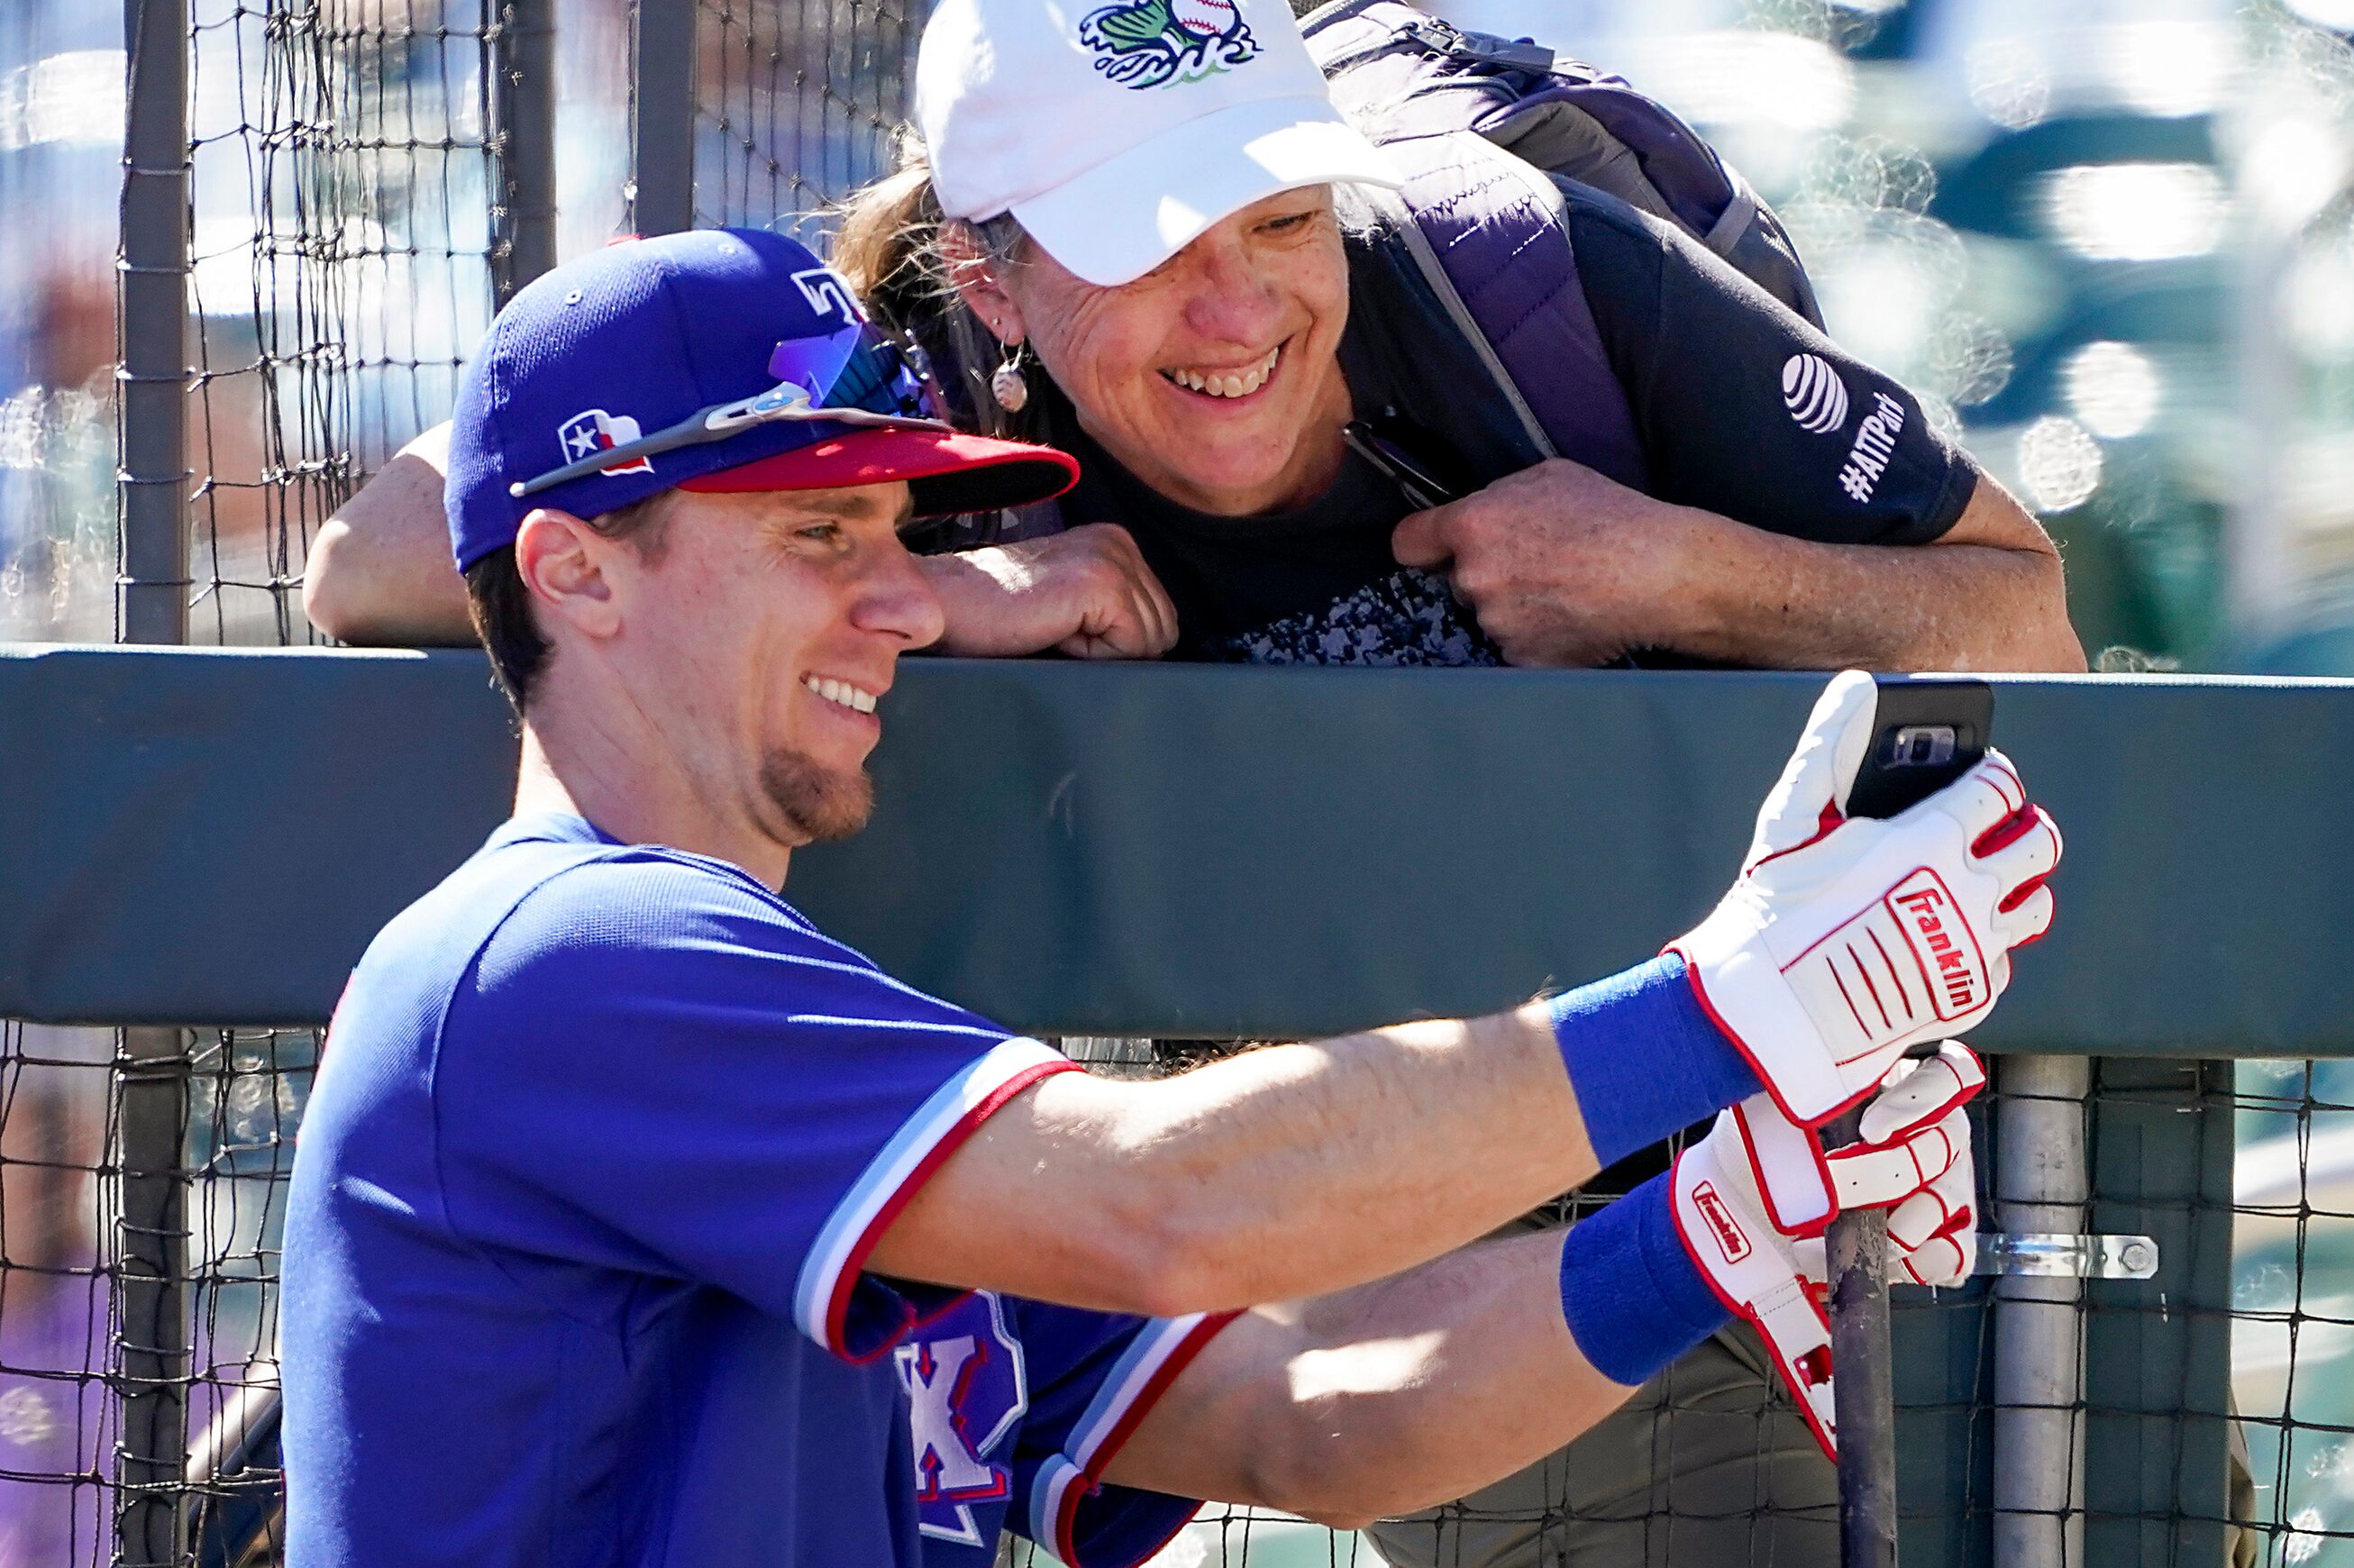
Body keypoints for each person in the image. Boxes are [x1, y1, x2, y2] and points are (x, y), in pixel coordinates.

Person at [275, 223, 2064, 1565]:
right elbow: (1173, 1203)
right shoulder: (564, 962)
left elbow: (1308, 1410)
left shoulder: (792, 1039)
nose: (901, 604)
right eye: (818, 541)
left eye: (901, 542)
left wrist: (1704, 1227)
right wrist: (1717, 1010)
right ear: (575, 572)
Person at [301, 0, 2081, 679]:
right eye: (1146, 250)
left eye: (1278, 221)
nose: (1236, 316)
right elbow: (375, 563)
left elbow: (2020, 620)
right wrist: (930, 599)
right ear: (990, 277)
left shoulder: (1530, 269)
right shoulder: (872, 371)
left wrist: (1675, 571)